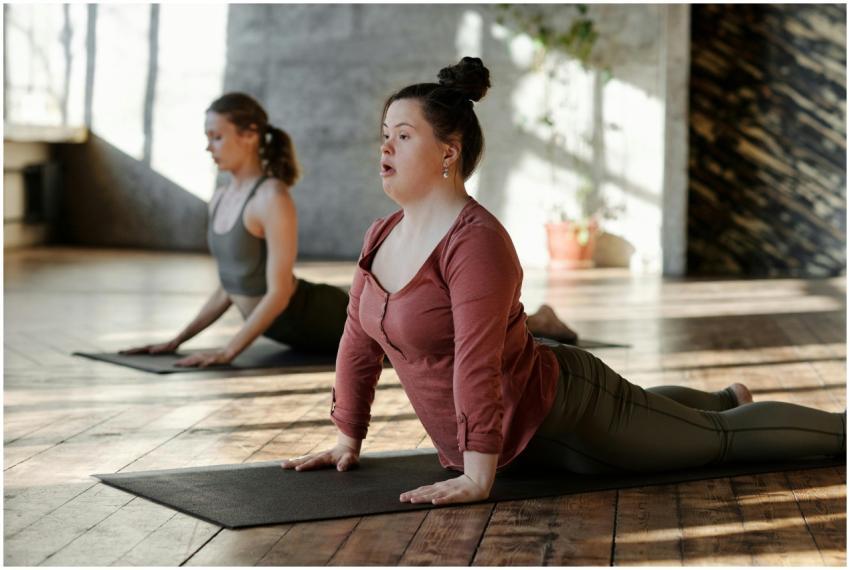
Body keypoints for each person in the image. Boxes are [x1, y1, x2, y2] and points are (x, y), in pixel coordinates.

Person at [280, 58, 846, 505]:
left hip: (567, 413)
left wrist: (478, 476)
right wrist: (346, 439)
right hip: (512, 444)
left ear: (448, 152)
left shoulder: (474, 242)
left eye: (403, 136)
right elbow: (357, 342)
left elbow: (475, 361)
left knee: (720, 442)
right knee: (675, 420)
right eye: (384, 134)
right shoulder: (382, 233)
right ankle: (725, 398)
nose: (384, 146)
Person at [122, 92, 577, 367]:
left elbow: (277, 294)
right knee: (435, 323)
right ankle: (534, 318)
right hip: (288, 327)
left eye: (217, 136)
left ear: (249, 135)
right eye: (207, 138)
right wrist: (176, 341)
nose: (209, 147)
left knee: (438, 333)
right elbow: (232, 284)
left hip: (316, 317)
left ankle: (538, 321)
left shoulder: (271, 198)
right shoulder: (222, 196)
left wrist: (228, 352)